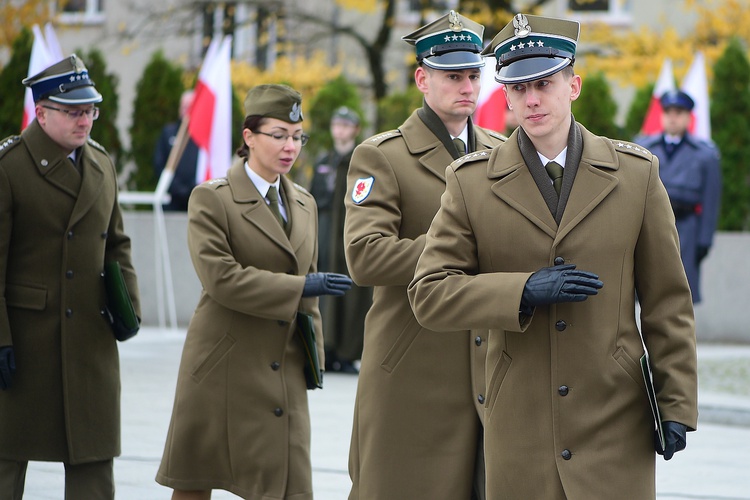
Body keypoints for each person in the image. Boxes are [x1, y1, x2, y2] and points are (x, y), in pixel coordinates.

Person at [408, 13, 698, 499]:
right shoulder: (470, 182)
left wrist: (676, 404)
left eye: (544, 82)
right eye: (517, 88)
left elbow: (668, 302)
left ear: (574, 85)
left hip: (614, 415)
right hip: (519, 420)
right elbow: (429, 294)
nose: (532, 99)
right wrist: (521, 289)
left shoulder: (636, 175)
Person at [155, 84, 352, 500]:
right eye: (278, 135)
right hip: (223, 365)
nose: (290, 146)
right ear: (249, 137)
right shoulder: (212, 199)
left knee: (290, 485)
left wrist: (312, 359)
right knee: (195, 485)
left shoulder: (304, 203)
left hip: (283, 366)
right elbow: (221, 279)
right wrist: (300, 287)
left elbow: (309, 294)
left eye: (297, 136)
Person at [344, 10, 506, 499]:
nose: (466, 86)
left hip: (486, 366)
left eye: (473, 74)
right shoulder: (383, 155)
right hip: (413, 366)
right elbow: (364, 256)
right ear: (422, 78)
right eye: (452, 75)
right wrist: (454, 251)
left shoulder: (501, 151)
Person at [0, 54, 141, 499]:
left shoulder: (101, 165)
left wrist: (128, 307)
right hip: (26, 340)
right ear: (41, 112)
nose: (86, 120)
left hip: (90, 339)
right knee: (6, 457)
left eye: (91, 110)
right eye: (74, 111)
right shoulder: (9, 167)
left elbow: (116, 243)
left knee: (93, 460)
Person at [634, 90, 721, 303]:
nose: (672, 117)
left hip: (686, 228)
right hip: (650, 225)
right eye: (668, 111)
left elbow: (711, 200)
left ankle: (679, 336)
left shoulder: (705, 154)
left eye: (679, 112)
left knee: (682, 291)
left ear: (689, 116)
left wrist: (704, 240)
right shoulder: (643, 147)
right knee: (647, 285)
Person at [309, 106, 371, 373]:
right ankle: (327, 350)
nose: (340, 131)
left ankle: (347, 353)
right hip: (325, 235)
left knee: (352, 294)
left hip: (350, 233)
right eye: (337, 125)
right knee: (326, 293)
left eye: (345, 126)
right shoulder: (324, 162)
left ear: (355, 130)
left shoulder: (364, 161)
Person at [153, 90, 200, 211]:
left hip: (196, 199)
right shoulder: (168, 133)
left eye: (189, 106)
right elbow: (159, 164)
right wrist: (177, 188)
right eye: (183, 106)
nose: (186, 110)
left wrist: (193, 188)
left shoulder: (202, 137)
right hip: (172, 200)